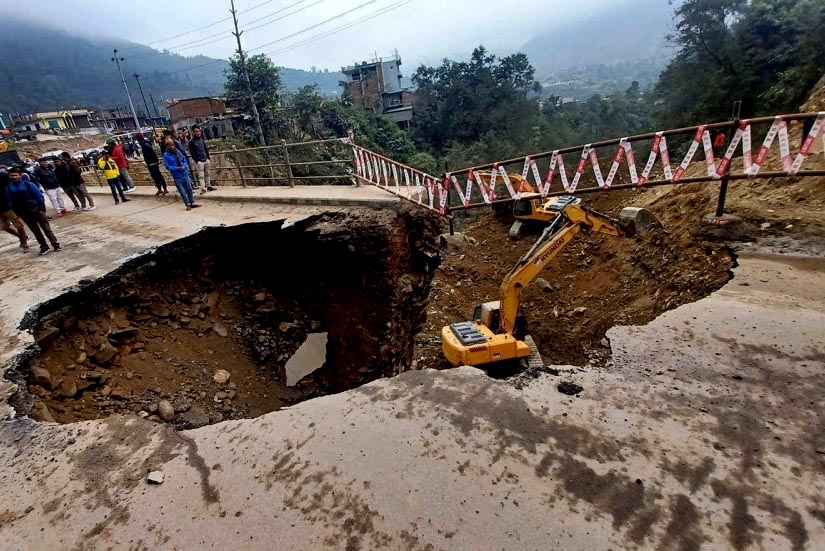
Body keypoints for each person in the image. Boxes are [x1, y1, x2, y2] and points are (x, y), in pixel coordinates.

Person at [5, 167, 60, 255]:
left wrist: (41, 209)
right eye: (12, 175)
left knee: (46, 229)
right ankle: (44, 247)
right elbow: (11, 202)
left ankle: (55, 244)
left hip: (37, 210)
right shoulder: (9, 188)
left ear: (20, 175)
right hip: (25, 213)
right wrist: (18, 213)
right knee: (36, 231)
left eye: (16, 175)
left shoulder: (28, 185)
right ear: (10, 176)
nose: (14, 177)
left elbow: (39, 196)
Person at [0, 166, 30, 252]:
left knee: (19, 225)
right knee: (4, 227)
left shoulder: (3, 176)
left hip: (8, 206)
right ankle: (23, 237)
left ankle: (25, 244)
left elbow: (11, 187)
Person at [163, 142, 199, 211]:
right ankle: (187, 204)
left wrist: (184, 166)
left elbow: (184, 160)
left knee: (189, 189)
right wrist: (176, 168)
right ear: (167, 147)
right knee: (182, 191)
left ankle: (192, 202)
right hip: (177, 175)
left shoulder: (178, 152)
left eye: (172, 145)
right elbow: (168, 166)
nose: (171, 147)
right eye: (169, 145)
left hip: (184, 173)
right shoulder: (166, 155)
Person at [188, 125, 216, 194]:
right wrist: (197, 160)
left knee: (207, 173)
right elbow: (192, 152)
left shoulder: (201, 140)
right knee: (201, 175)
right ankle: (203, 188)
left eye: (198, 131)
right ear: (193, 132)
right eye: (196, 131)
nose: (198, 133)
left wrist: (208, 158)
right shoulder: (191, 142)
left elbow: (205, 149)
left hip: (205, 159)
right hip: (199, 161)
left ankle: (208, 185)